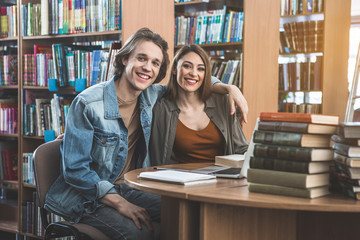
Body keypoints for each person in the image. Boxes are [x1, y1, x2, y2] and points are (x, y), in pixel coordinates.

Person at [45, 28, 248, 240]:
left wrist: (228, 88)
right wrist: (121, 203)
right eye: (142, 58)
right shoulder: (88, 103)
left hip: (129, 188)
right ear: (124, 59)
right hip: (86, 197)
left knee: (190, 211)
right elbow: (76, 170)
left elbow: (191, 79)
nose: (147, 68)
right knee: (139, 233)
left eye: (155, 63)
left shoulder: (152, 96)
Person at [150, 45, 248, 166]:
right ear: (175, 69)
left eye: (200, 69)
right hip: (180, 180)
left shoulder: (222, 102)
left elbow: (242, 148)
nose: (193, 73)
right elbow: (157, 157)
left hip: (222, 180)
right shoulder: (161, 109)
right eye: (187, 66)